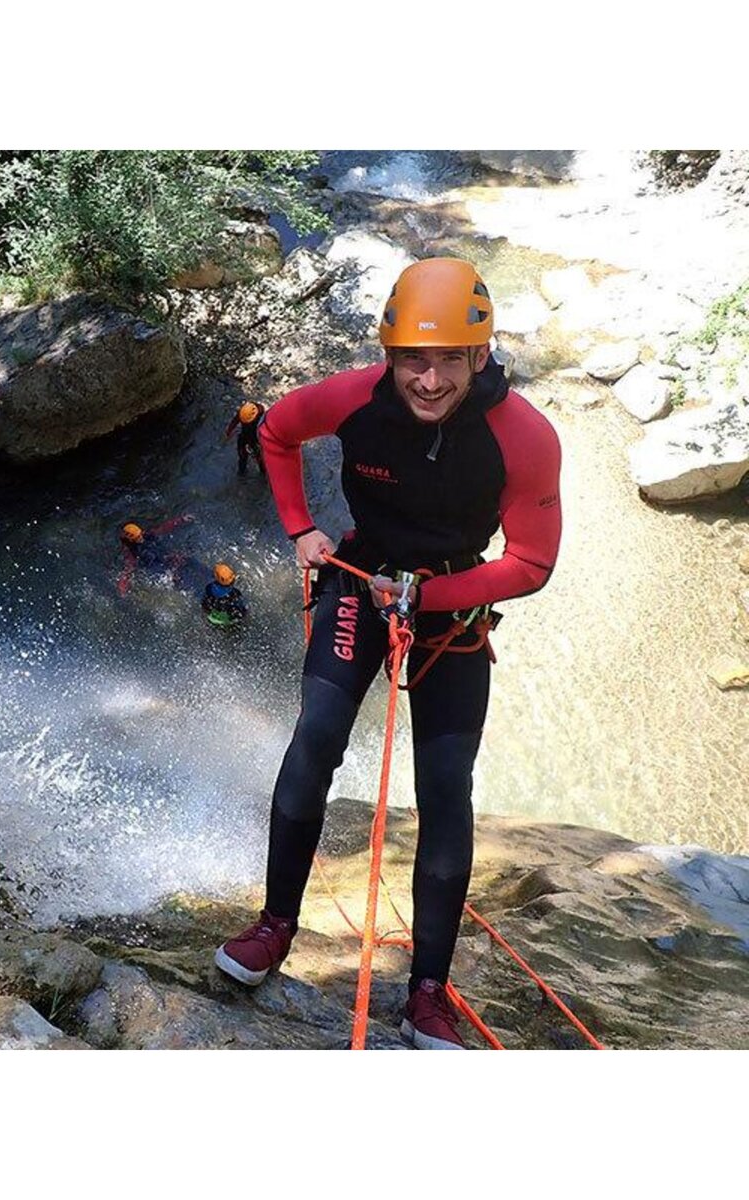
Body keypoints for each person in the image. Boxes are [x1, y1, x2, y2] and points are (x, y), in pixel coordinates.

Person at [212, 257, 563, 1050]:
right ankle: (273, 927)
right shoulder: (355, 397)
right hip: (361, 574)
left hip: (453, 598)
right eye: (413, 360)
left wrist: (424, 598)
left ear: (481, 354)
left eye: (449, 360)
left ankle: (428, 992)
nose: (429, 381)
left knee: (444, 785)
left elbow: (532, 562)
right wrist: (300, 526)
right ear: (389, 354)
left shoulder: (524, 436)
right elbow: (276, 431)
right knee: (315, 738)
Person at [117, 515, 194, 596]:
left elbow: (164, 528)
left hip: (163, 555)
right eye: (137, 538)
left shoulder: (147, 534)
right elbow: (128, 569)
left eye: (140, 535)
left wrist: (181, 519)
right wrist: (122, 587)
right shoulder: (130, 551)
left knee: (180, 558)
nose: (141, 538)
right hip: (154, 564)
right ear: (131, 540)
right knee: (169, 576)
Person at [224, 401, 266, 476]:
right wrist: (229, 431)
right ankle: (241, 472)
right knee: (242, 455)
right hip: (245, 435)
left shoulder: (260, 414)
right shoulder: (244, 412)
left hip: (255, 437)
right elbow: (235, 421)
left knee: (259, 457)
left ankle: (263, 472)